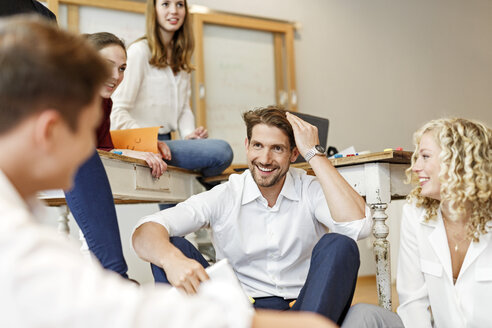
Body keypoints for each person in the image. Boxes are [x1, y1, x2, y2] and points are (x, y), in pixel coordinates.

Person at [0, 16, 337, 328]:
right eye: (86, 133)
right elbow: (118, 311)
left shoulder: (23, 228)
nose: (92, 154)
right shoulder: (19, 245)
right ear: (49, 131)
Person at [132, 105, 373, 325]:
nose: (265, 159)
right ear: (247, 146)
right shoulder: (226, 194)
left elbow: (358, 227)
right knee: (169, 247)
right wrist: (171, 259)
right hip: (239, 312)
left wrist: (316, 154)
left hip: (306, 310)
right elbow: (145, 231)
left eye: (277, 148)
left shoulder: (308, 188)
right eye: (258, 146)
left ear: (294, 154)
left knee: (340, 244)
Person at [64, 32, 167, 279]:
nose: (116, 77)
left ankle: (113, 276)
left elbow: (103, 147)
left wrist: (138, 153)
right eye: (108, 66)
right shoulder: (67, 94)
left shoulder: (104, 102)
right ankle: (115, 274)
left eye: (122, 69)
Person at [110, 0, 233, 187]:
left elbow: (183, 108)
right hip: (144, 144)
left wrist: (190, 135)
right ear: (154, 10)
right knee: (222, 151)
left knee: (174, 212)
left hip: (168, 142)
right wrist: (149, 142)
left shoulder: (180, 57)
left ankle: (205, 183)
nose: (174, 11)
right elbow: (117, 109)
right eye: (165, 4)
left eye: (179, 4)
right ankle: (207, 183)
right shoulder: (139, 52)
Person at [396, 118, 491, 327]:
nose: (415, 167)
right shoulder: (414, 214)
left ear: (459, 161)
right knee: (365, 316)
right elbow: (412, 302)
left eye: (425, 156)